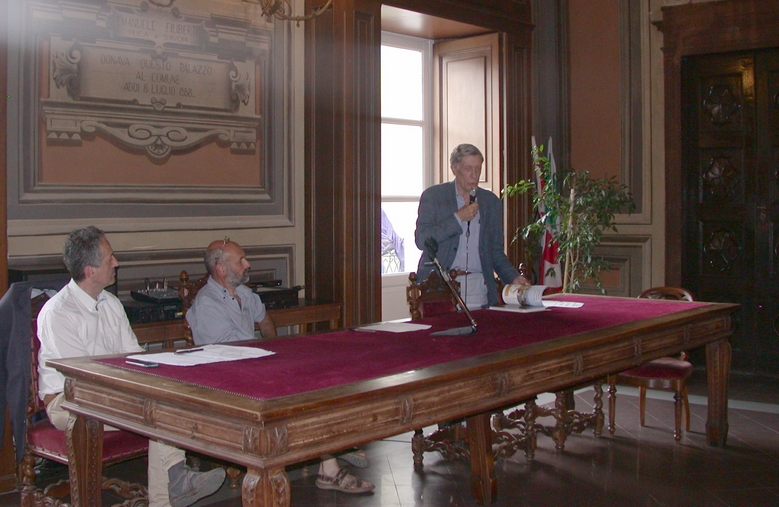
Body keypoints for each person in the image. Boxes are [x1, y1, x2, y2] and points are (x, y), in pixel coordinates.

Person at [37, 227, 226, 507]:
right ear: (90, 270)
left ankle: (174, 483)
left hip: (112, 391)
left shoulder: (111, 304)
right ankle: (174, 485)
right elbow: (82, 377)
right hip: (69, 401)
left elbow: (134, 356)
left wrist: (164, 369)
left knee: (163, 405)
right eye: (109, 259)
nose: (116, 263)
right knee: (155, 412)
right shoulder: (58, 313)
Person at [187, 239, 374, 495]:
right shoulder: (207, 303)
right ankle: (330, 456)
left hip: (254, 365)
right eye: (240, 260)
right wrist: (271, 361)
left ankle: (332, 447)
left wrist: (276, 348)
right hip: (227, 378)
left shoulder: (242, 293)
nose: (247, 264)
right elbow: (228, 353)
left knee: (320, 377)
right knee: (303, 386)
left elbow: (265, 320)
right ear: (220, 269)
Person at [415, 143, 529, 308]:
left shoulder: (491, 202)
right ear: (454, 168)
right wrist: (457, 218)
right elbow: (422, 239)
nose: (474, 175)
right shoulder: (434, 197)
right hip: (440, 286)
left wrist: (513, 277)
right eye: (468, 169)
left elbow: (495, 252)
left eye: (478, 169)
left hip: (479, 287)